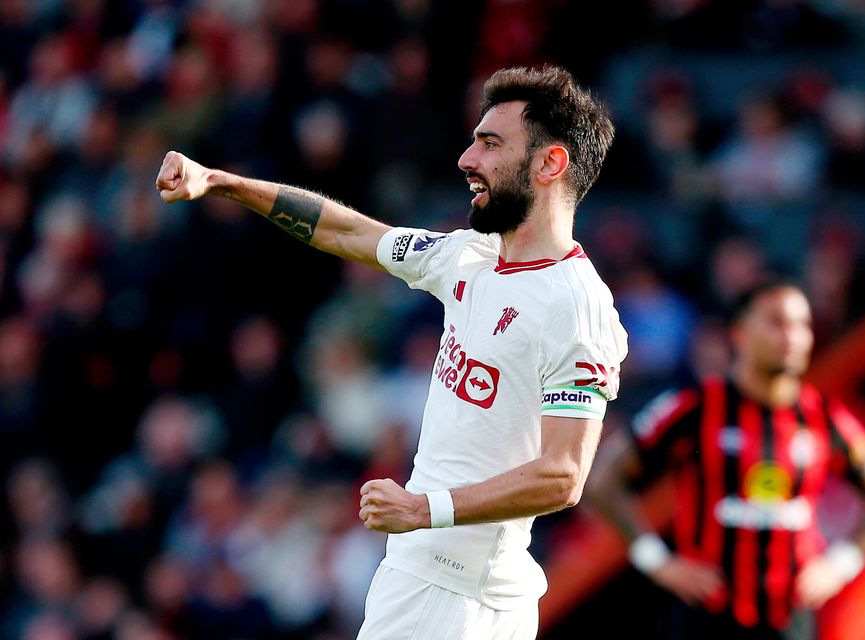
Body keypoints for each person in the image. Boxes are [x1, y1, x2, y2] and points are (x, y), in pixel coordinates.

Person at [155, 65, 628, 639]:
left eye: (490, 143)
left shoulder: (575, 307)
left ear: (550, 164)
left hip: (462, 596)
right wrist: (224, 183)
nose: (466, 159)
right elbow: (350, 231)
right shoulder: (470, 255)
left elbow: (563, 475)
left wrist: (425, 510)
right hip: (417, 570)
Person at [585, 279, 865, 639]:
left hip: (790, 620)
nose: (792, 336)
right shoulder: (693, 409)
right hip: (706, 618)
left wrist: (840, 565)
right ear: (740, 333)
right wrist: (658, 562)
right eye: (777, 322)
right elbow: (604, 482)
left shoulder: (825, 417)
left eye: (801, 325)